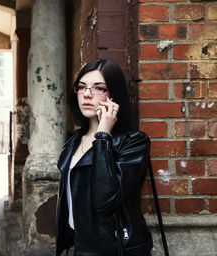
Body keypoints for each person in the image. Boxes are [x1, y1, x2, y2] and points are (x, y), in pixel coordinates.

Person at [56, 59, 153, 256]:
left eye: (98, 88)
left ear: (113, 96)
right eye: (82, 87)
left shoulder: (134, 143)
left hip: (114, 249)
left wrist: (103, 136)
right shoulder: (74, 140)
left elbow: (105, 199)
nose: (87, 94)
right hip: (79, 245)